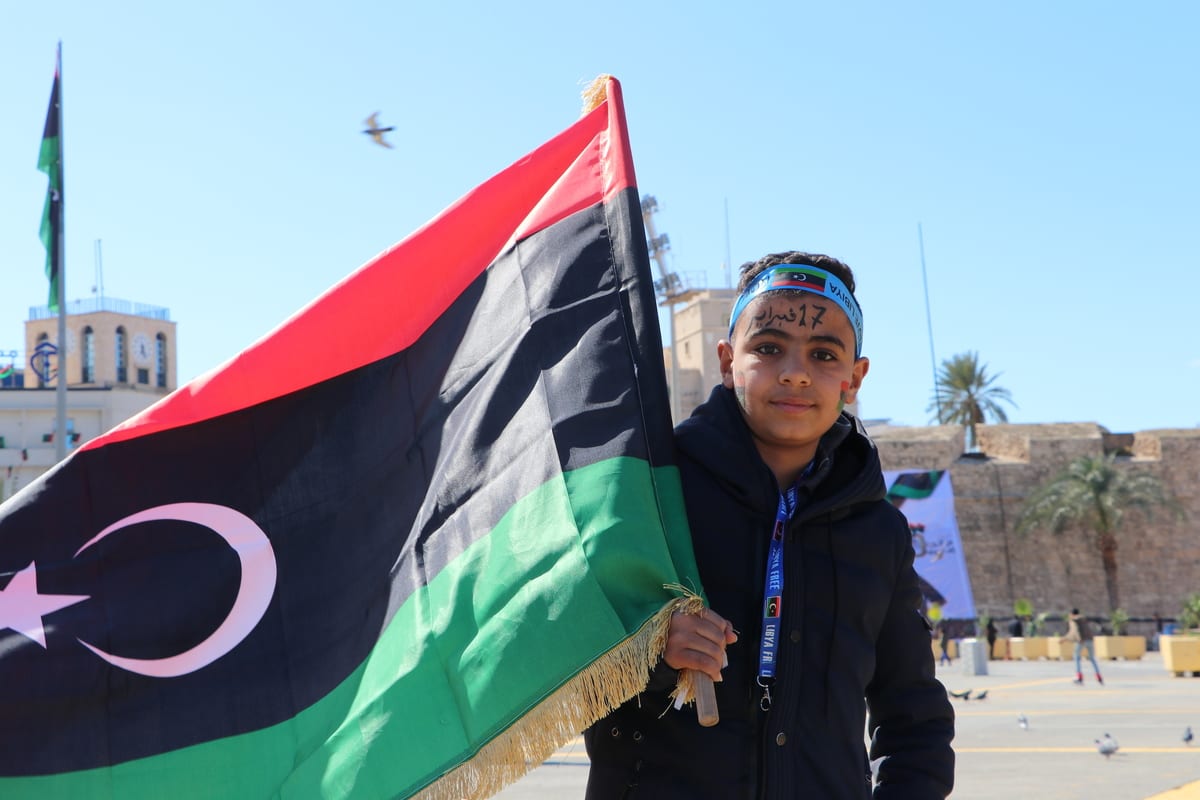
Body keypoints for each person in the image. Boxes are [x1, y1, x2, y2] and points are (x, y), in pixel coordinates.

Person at [584, 251, 955, 798]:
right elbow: (573, 679)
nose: (796, 371)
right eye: (768, 348)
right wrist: (653, 656)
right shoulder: (651, 498)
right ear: (727, 360)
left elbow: (913, 714)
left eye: (824, 354)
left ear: (855, 378)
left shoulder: (878, 531)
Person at [1063, 608, 1104, 685]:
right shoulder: (1084, 619)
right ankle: (1098, 676)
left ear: (1071, 614)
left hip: (1081, 641)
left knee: (1077, 657)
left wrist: (1065, 639)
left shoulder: (1074, 621)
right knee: (1092, 658)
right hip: (1090, 640)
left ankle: (1079, 676)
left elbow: (1074, 631)